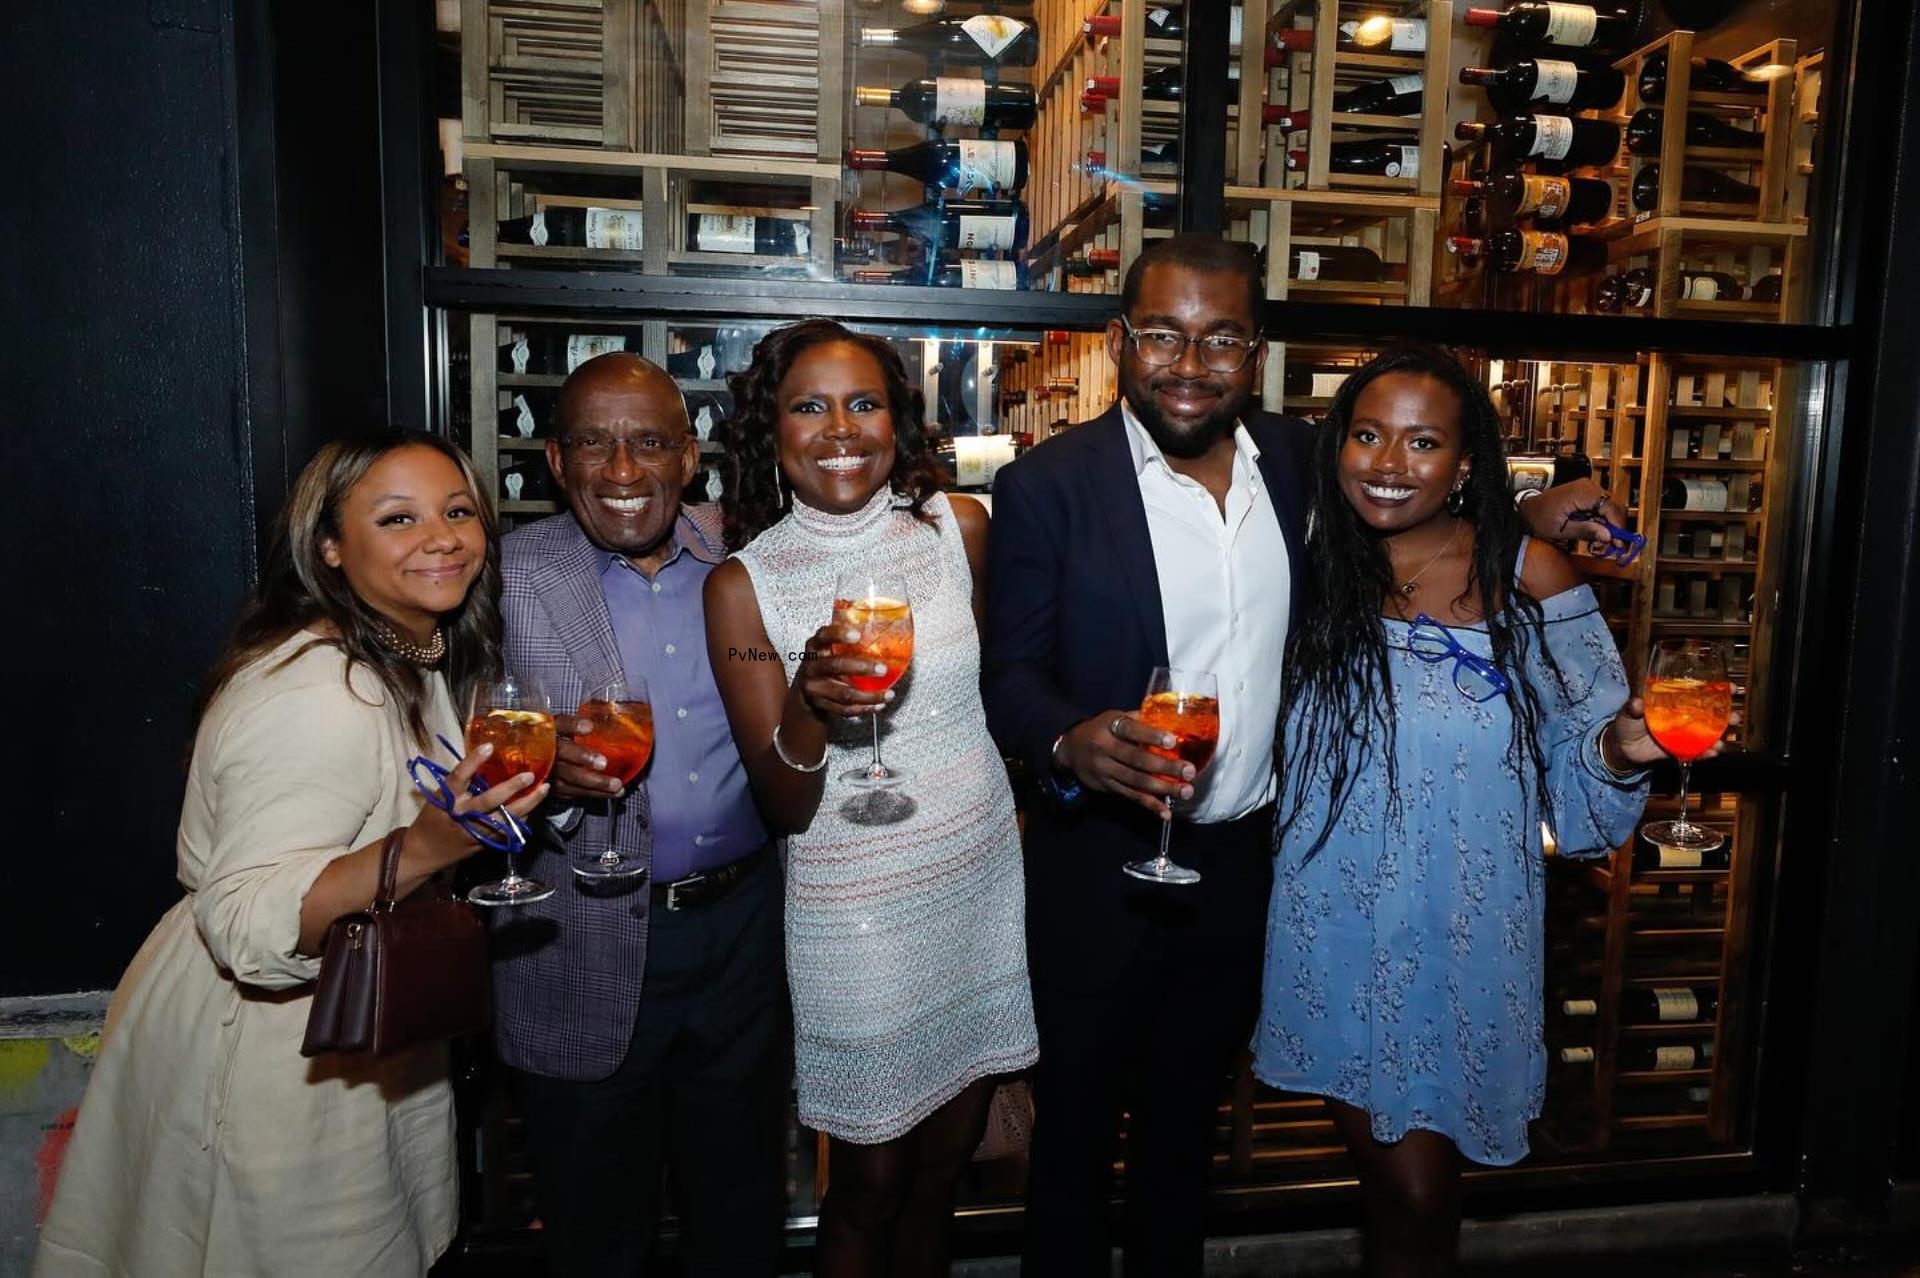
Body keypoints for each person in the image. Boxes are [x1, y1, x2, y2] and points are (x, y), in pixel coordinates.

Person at [981, 234, 1625, 1277]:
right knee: (1074, 1144)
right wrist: (1068, 739)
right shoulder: (1049, 484)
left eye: (1221, 339)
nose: (1190, 363)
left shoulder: (1299, 463)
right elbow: (1009, 673)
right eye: (1163, 336)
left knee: (1185, 1141)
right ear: (1118, 343)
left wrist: (1527, 519)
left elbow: (1419, 514)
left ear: (1257, 354)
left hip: (1246, 870)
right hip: (1099, 865)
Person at [35, 432, 545, 1278]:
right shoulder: (318, 692)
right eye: (398, 518)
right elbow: (244, 923)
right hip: (275, 1051)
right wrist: (423, 847)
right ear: (331, 549)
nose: (443, 536)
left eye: (458, 511)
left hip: (352, 1025)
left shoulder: (403, 658)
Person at [1253, 344, 1682, 1276]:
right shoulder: (1306, 561)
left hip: (1463, 931)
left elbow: (1584, 764)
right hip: (1331, 925)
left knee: (1417, 1196)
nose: (1388, 463)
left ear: (1464, 462)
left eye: (1422, 442)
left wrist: (1620, 748)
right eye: (1367, 435)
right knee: (1404, 1189)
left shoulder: (1533, 578)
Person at [705, 318, 1038, 1277]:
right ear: (774, 428)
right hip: (856, 909)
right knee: (870, 1182)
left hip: (975, 884)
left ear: (897, 422)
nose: (840, 428)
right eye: (809, 406)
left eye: (863, 403)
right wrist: (812, 704)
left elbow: (978, 699)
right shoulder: (744, 583)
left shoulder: (958, 529)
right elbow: (781, 802)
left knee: (946, 1168)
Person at [490, 352, 786, 1276]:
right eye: (594, 444)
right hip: (576, 934)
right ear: (555, 461)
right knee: (596, 1227)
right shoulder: (499, 580)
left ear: (689, 456)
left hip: (744, 934)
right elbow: (446, 773)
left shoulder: (751, 557)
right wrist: (541, 786)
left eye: (649, 442)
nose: (622, 472)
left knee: (738, 1213)